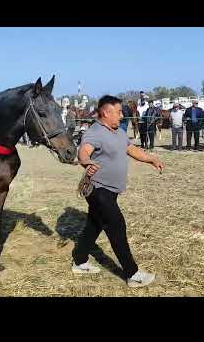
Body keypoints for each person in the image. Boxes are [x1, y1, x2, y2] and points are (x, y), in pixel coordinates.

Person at [74, 95, 164, 288]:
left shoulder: (118, 132)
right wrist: (86, 161)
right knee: (116, 225)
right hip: (98, 190)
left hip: (110, 191)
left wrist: (150, 158)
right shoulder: (94, 132)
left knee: (94, 225)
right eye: (118, 112)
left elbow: (132, 149)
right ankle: (133, 274)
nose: (122, 115)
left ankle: (79, 261)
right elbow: (83, 152)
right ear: (106, 113)